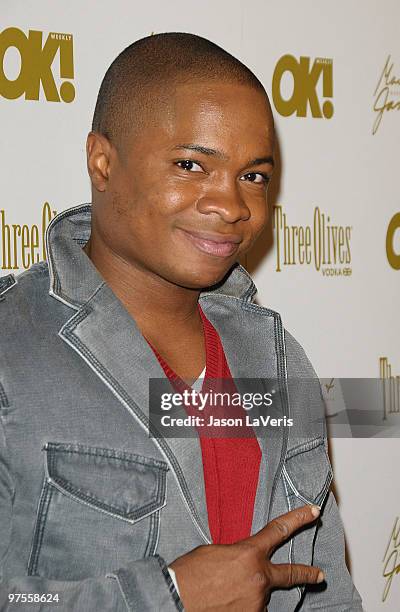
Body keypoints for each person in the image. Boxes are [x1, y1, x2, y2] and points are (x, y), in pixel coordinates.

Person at [0, 32, 362, 611]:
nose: (232, 204)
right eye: (192, 165)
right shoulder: (12, 348)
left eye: (254, 176)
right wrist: (165, 597)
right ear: (102, 161)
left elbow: (325, 595)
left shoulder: (276, 358)